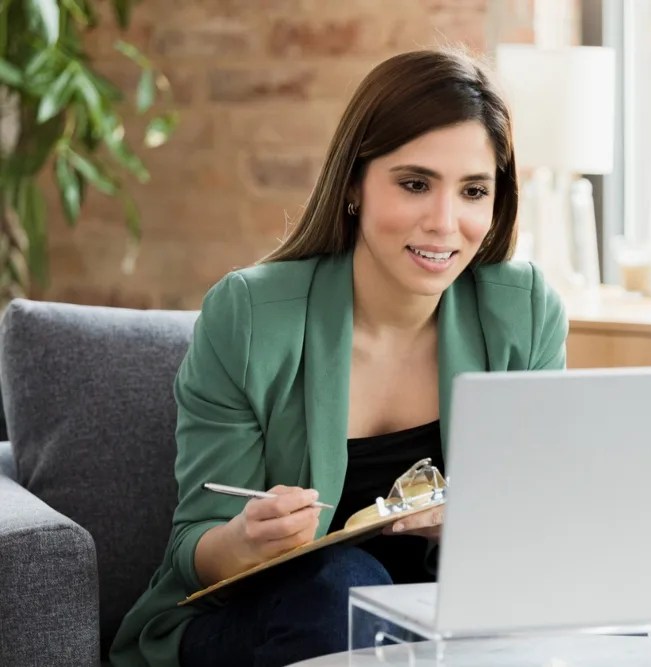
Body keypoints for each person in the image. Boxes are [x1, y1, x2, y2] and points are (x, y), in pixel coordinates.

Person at [109, 48, 568, 667]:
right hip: (265, 618)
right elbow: (196, 547)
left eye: (473, 191)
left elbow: (539, 516)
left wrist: (478, 523)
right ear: (354, 183)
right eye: (414, 184)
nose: (444, 222)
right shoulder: (249, 316)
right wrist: (247, 538)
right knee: (344, 585)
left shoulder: (524, 310)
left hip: (443, 621)